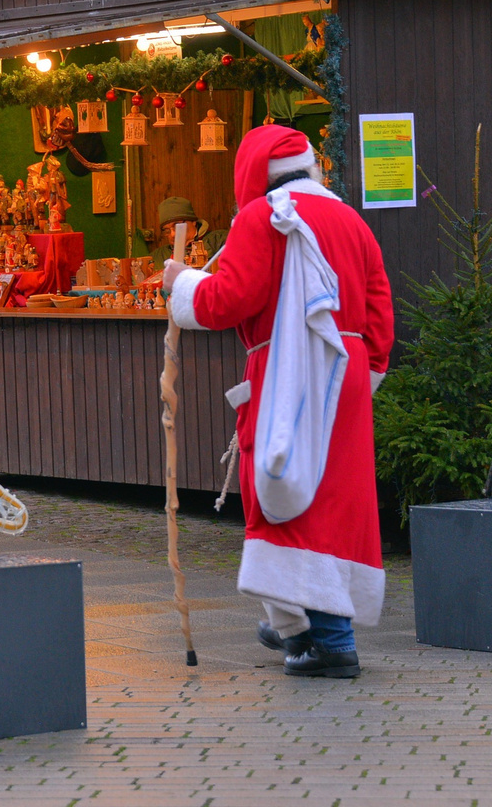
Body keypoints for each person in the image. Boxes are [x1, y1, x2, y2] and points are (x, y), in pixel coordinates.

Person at [163, 126, 393, 678]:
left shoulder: (261, 217)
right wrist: (364, 373)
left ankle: (331, 638)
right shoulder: (352, 221)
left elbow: (229, 299)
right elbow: (382, 318)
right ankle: (293, 623)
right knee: (332, 495)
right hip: (349, 372)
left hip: (287, 367)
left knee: (283, 486)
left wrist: (183, 282)